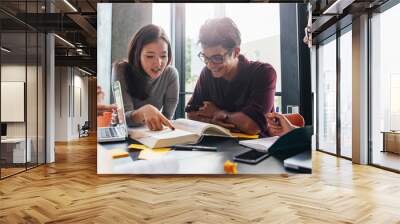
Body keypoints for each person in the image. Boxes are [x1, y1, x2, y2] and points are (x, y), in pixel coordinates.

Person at [185, 17, 277, 135]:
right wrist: (214, 121)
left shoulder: (263, 73)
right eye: (206, 58)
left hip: (254, 147)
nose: (210, 65)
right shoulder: (207, 73)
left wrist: (217, 113)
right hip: (215, 146)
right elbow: (191, 113)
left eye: (217, 58)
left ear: (236, 52)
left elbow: (253, 126)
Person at [113, 24, 178, 131]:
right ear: (136, 54)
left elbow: (167, 119)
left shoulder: (171, 74)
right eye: (150, 56)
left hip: (152, 135)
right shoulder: (121, 69)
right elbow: (122, 119)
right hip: (126, 134)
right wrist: (143, 112)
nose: (158, 63)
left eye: (163, 56)